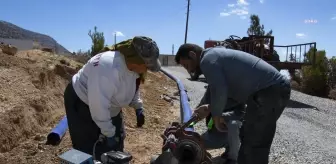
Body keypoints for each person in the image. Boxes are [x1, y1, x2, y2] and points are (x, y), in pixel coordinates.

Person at [175, 44, 291, 164]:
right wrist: (206, 110)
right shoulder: (216, 58)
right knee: (250, 141)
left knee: (254, 143)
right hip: (269, 91)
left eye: (187, 65)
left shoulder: (207, 60)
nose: (189, 71)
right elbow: (217, 94)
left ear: (193, 55)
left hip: (270, 91)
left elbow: (219, 89)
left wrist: (216, 116)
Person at [63, 36, 161, 161]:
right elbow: (98, 105)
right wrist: (108, 133)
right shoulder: (108, 67)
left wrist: (138, 107)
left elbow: (133, 86)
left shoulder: (134, 68)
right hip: (82, 102)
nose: (147, 70)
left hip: (108, 105)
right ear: (136, 60)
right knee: (89, 147)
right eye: (147, 66)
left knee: (117, 141)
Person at [195, 85, 245, 164]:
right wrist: (187, 124)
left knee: (234, 124)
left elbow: (242, 112)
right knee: (195, 145)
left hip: (231, 132)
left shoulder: (239, 88)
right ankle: (228, 147)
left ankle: (233, 158)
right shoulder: (212, 87)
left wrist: (223, 116)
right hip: (215, 133)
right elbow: (199, 110)